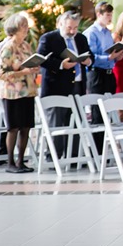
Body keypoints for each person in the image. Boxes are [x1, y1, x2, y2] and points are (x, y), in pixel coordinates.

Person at [37, 10, 93, 156]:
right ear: (60, 23)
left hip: (77, 84)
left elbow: (88, 54)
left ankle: (73, 156)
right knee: (57, 122)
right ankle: (54, 156)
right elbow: (42, 59)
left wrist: (88, 61)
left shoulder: (80, 38)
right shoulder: (48, 38)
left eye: (75, 28)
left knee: (76, 121)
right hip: (56, 86)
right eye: (69, 28)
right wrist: (61, 64)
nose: (72, 31)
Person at [0, 13, 40, 173]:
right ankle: (10, 162)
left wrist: (34, 68)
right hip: (12, 93)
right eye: (23, 27)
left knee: (26, 127)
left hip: (27, 91)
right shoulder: (8, 47)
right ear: (14, 29)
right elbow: (1, 74)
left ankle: (21, 161)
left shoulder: (26, 46)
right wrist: (23, 72)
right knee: (13, 128)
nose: (26, 29)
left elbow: (28, 64)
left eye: (26, 26)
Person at [83, 2, 123, 95]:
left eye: (111, 15)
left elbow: (110, 55)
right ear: (99, 14)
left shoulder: (107, 32)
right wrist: (109, 57)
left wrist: (116, 57)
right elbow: (90, 56)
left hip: (109, 74)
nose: (110, 18)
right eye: (107, 15)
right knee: (97, 107)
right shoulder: (91, 32)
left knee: (110, 106)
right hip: (96, 74)